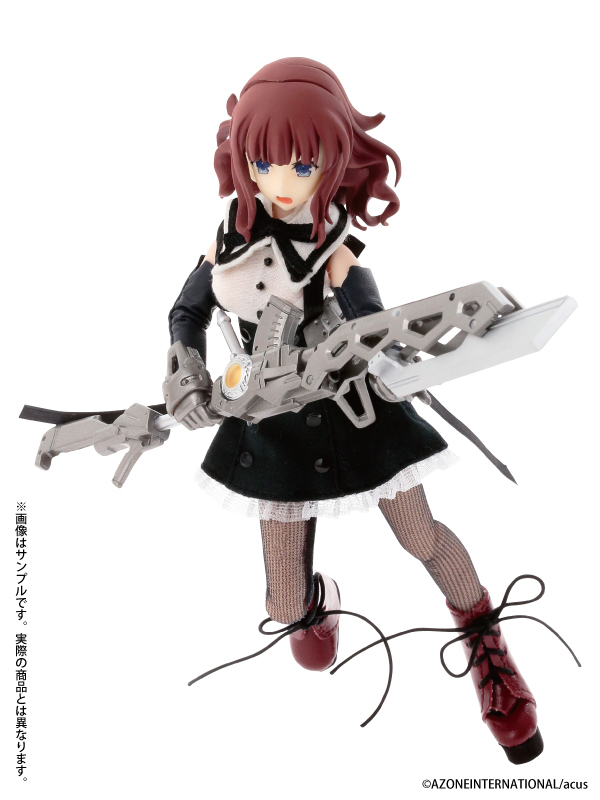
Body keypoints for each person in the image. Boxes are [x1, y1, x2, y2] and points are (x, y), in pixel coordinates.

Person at [164, 57, 542, 763]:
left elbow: (372, 317)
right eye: (265, 163)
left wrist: (364, 352)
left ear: (332, 159)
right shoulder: (226, 240)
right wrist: (185, 370)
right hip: (268, 419)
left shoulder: (333, 242)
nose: (282, 182)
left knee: (421, 537)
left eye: (302, 165)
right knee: (284, 609)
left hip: (351, 409)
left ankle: (487, 645)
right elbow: (187, 310)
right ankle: (316, 598)